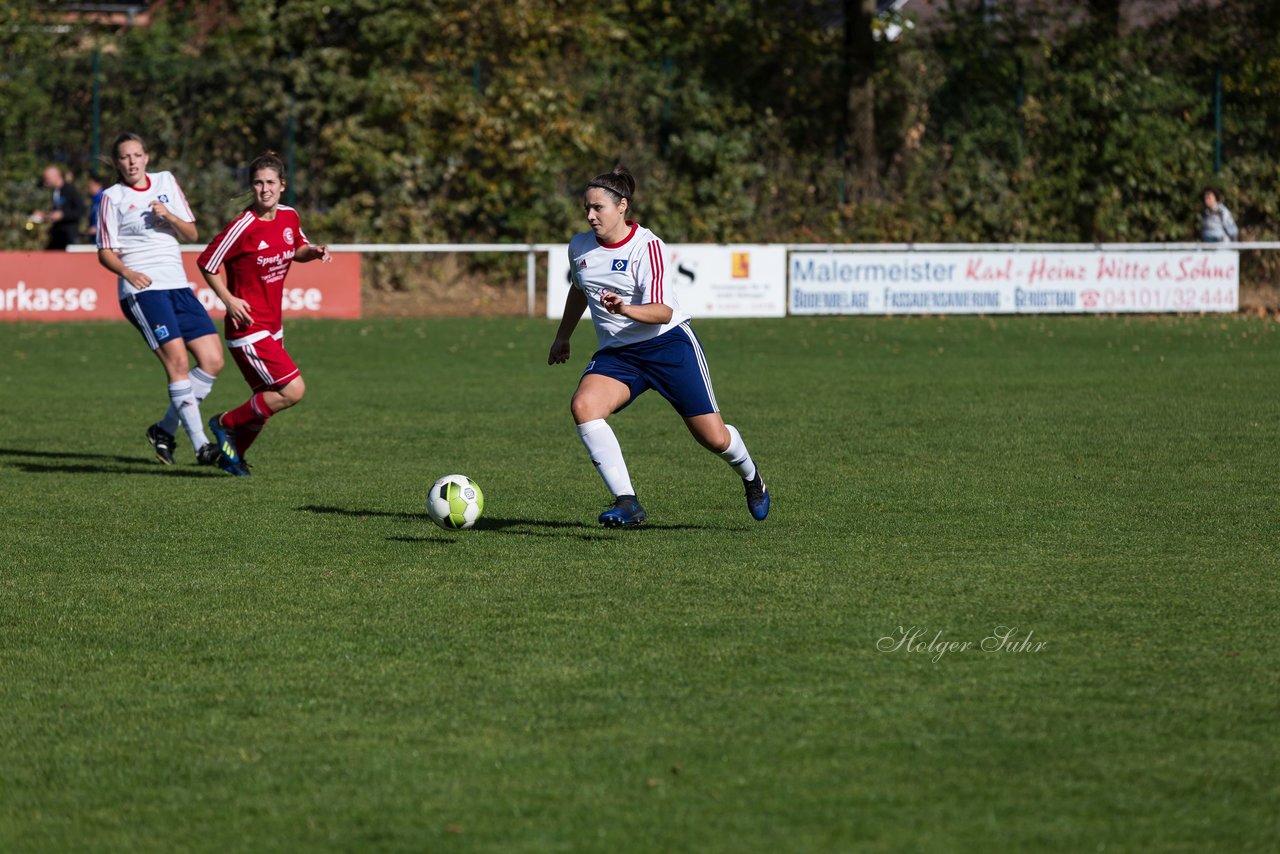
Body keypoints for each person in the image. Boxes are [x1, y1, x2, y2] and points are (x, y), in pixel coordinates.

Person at [547, 165, 769, 527]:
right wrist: (563, 335)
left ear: (622, 206)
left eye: (597, 208)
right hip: (620, 354)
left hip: (667, 348)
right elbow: (579, 290)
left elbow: (663, 311)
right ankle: (627, 502)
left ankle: (750, 475)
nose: (589, 216)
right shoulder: (580, 247)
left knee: (713, 438)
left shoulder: (647, 247)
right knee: (584, 406)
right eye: (586, 208)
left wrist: (625, 308)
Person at [96, 132, 237, 474]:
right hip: (143, 292)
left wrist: (169, 216)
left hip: (178, 286)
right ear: (117, 163)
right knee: (176, 362)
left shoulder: (166, 181)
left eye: (137, 155)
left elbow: (191, 234)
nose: (132, 162)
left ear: (146, 157)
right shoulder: (111, 198)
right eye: (125, 157)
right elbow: (104, 252)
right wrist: (128, 272)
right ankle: (202, 444)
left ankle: (164, 430)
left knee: (213, 360)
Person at [197, 151, 332, 475]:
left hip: (273, 326)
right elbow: (207, 262)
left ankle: (231, 457)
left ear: (282, 185)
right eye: (258, 183)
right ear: (252, 187)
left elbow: (295, 247)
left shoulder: (289, 217)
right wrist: (228, 300)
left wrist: (311, 252)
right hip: (248, 328)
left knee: (267, 400)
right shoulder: (243, 225)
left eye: (270, 182)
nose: (264, 189)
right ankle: (224, 423)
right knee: (293, 390)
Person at [31, 164, 85, 250]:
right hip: (57, 234)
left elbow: (81, 210)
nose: (46, 182)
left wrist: (64, 215)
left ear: (56, 176)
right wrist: (44, 216)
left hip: (69, 236)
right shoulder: (55, 192)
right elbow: (55, 213)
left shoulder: (70, 190)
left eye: (48, 178)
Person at [84, 173, 106, 241]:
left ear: (97, 184)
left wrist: (98, 228)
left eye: (90, 185)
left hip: (103, 240)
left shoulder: (105, 199)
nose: (88, 188)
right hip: (94, 239)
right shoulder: (93, 200)